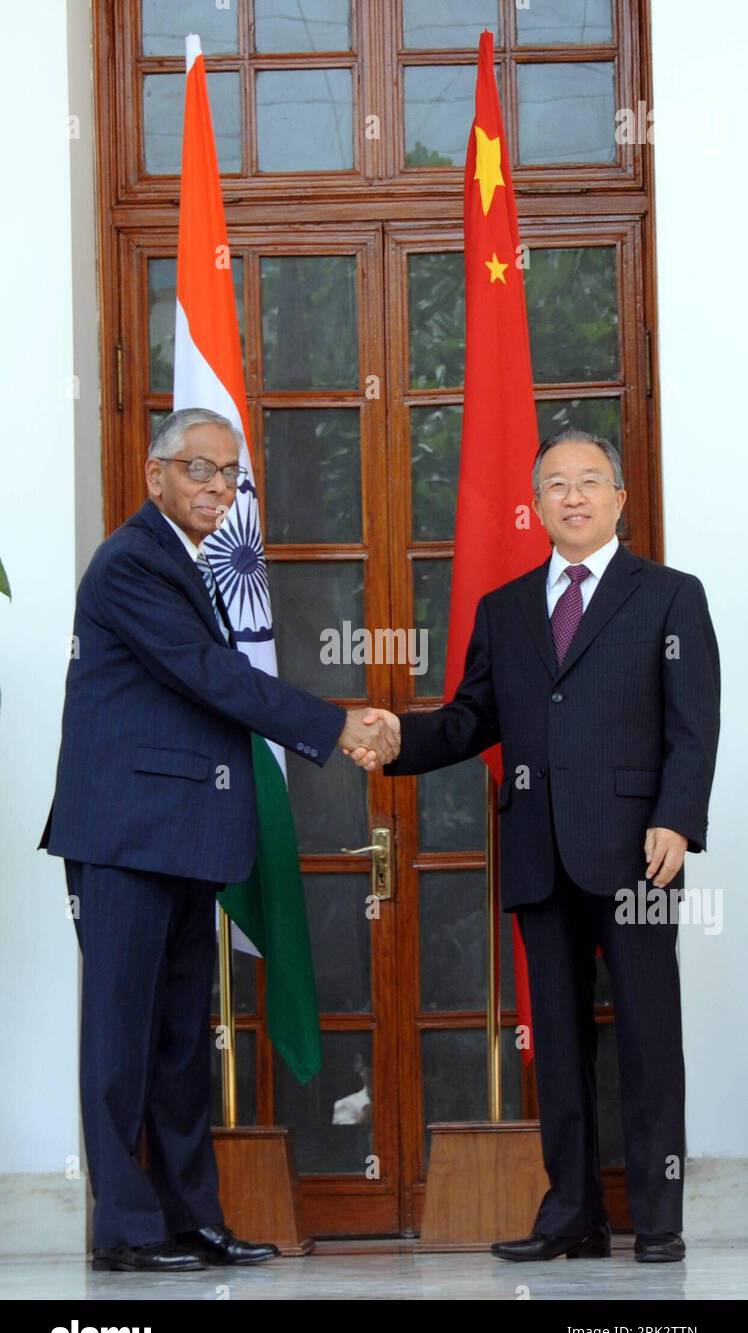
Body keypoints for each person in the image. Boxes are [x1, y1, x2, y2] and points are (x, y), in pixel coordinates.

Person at [39, 407, 399, 1272]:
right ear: (155, 475)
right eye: (198, 468)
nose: (216, 487)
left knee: (177, 1042)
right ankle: (126, 1231)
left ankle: (190, 1218)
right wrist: (335, 723)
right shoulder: (132, 561)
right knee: (121, 1040)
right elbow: (211, 677)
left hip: (183, 837)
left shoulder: (187, 564)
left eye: (230, 474)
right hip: (125, 837)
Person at [352, 428, 720, 1264]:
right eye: (557, 484)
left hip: (637, 852)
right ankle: (572, 1216)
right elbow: (471, 719)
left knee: (647, 1033)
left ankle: (658, 1218)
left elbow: (694, 727)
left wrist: (677, 818)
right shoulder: (508, 607)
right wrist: (397, 738)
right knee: (555, 1041)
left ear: (621, 498)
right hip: (538, 850)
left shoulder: (670, 597)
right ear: (538, 504)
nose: (576, 497)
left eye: (592, 482)